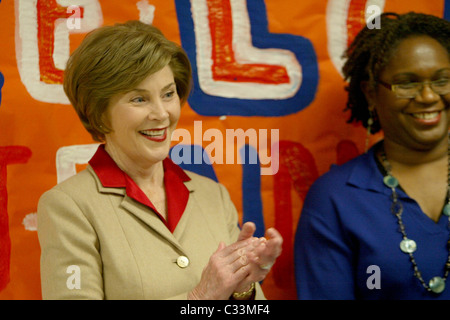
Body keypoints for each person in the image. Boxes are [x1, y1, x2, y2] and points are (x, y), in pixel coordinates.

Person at [37, 20, 282, 300]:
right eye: (139, 99)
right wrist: (199, 298)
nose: (162, 113)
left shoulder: (212, 195)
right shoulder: (68, 207)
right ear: (99, 113)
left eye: (168, 94)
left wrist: (243, 291)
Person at [294, 12, 450, 299]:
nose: (428, 95)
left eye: (443, 80)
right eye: (407, 83)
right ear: (370, 94)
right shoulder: (335, 198)